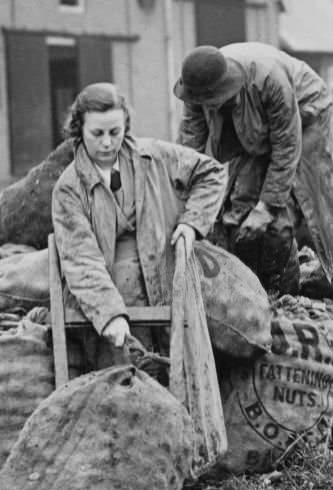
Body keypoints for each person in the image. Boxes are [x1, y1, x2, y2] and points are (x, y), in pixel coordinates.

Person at [51, 82, 226, 367]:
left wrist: (192, 223)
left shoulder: (153, 157)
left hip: (163, 280)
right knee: (125, 379)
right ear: (79, 131)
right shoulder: (69, 189)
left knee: (176, 369)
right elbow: (80, 259)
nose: (107, 143)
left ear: (126, 126)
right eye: (97, 134)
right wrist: (109, 315)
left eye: (115, 132)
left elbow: (211, 173)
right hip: (108, 295)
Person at [174, 42, 333, 294]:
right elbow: (189, 145)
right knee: (239, 198)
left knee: (314, 195)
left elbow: (286, 146)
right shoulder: (195, 86)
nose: (208, 106)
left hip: (305, 107)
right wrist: (181, 200)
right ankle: (251, 286)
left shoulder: (271, 81)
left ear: (225, 87)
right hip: (255, 118)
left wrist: (266, 206)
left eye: (213, 101)